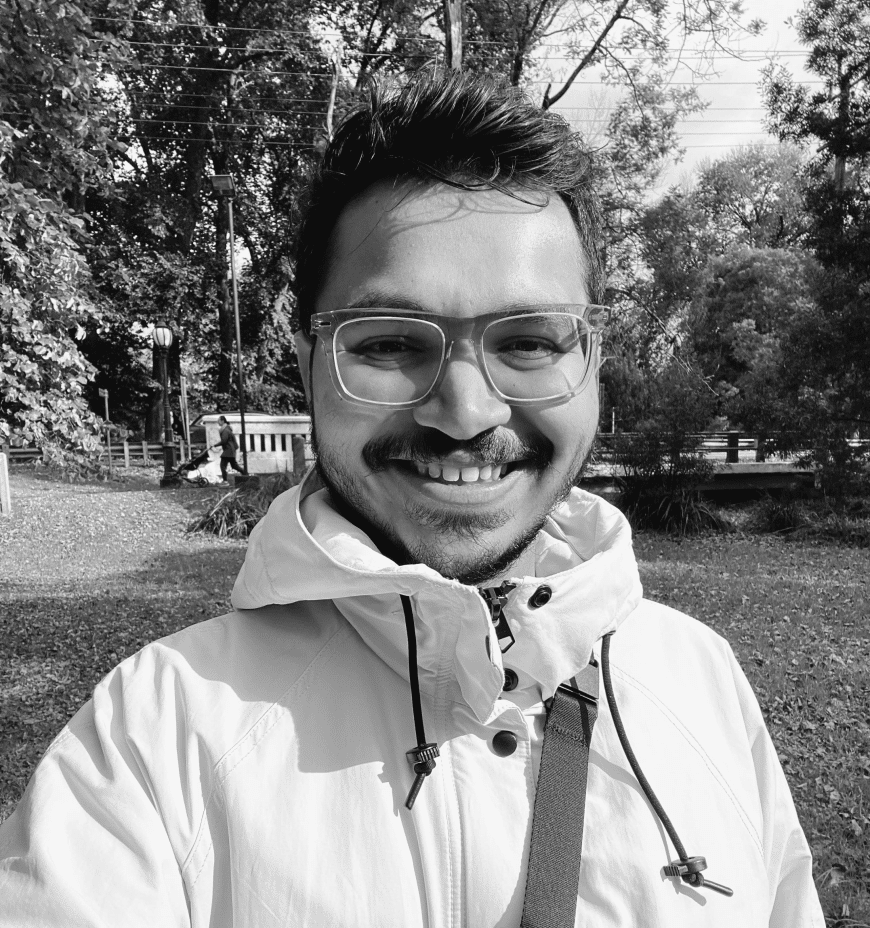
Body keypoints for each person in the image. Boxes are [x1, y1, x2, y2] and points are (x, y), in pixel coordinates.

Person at [0, 72, 824, 927]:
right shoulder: (153, 740)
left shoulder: (702, 682)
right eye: (390, 343)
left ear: (592, 361)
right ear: (307, 364)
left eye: (529, 341)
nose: (466, 412)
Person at [211, 414, 243, 481]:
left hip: (228, 451)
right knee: (234, 466)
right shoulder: (227, 429)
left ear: (222, 421)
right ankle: (245, 473)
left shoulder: (225, 430)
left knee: (222, 466)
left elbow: (224, 441)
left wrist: (215, 445)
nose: (218, 422)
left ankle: (225, 481)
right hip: (231, 450)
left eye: (219, 421)